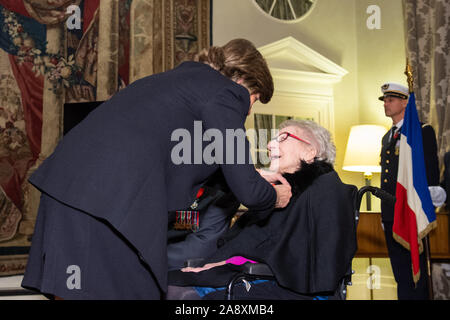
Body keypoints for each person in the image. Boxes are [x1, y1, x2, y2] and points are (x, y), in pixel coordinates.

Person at [21, 39, 293, 300]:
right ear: (243, 80)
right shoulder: (226, 92)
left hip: (69, 189)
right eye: (254, 100)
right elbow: (251, 194)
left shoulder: (175, 83)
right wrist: (274, 195)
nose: (247, 111)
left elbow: (194, 152)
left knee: (74, 288)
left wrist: (249, 174)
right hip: (107, 202)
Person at [167, 119, 358, 300]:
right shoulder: (278, 193)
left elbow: (299, 259)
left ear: (310, 152)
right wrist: (221, 263)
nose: (269, 145)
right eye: (272, 139)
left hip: (291, 286)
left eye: (283, 138)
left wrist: (226, 263)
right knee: (162, 284)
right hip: (252, 275)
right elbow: (254, 242)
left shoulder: (327, 189)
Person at [379, 82, 446, 300]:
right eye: (385, 101)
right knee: (400, 274)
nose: (386, 104)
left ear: (405, 102)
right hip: (392, 213)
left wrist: (427, 203)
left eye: (391, 100)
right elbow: (386, 179)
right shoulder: (387, 137)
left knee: (415, 273)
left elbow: (429, 172)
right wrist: (384, 212)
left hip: (410, 212)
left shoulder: (421, 132)